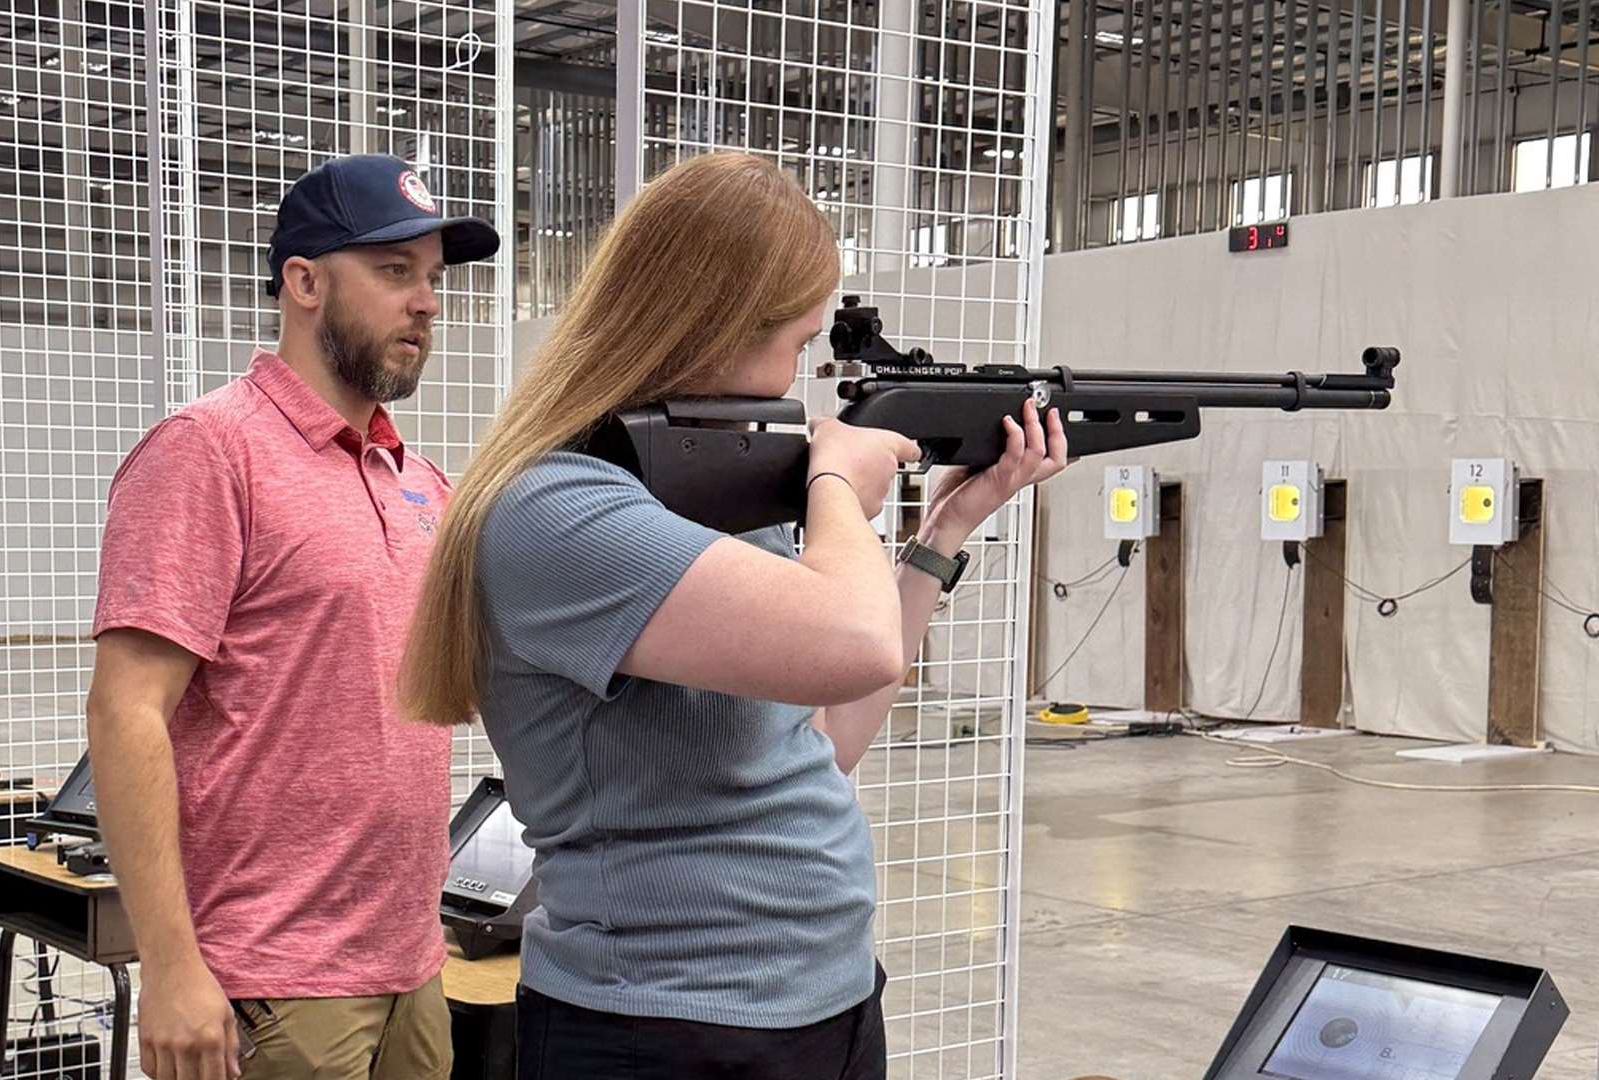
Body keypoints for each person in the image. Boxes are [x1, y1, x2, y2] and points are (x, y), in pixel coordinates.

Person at [398, 151, 1068, 1080]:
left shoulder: (704, 513)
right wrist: (836, 478)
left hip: (819, 1003)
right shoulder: (559, 510)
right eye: (796, 344)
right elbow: (856, 642)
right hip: (666, 1030)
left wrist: (945, 527)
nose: (800, 373)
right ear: (709, 328)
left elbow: (823, 739)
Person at [86, 154, 499, 1080]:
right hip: (271, 982)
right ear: (304, 282)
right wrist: (171, 967)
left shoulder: (419, 482)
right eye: (395, 273)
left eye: (433, 278)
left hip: (411, 966)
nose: (427, 303)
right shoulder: (208, 452)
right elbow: (127, 711)